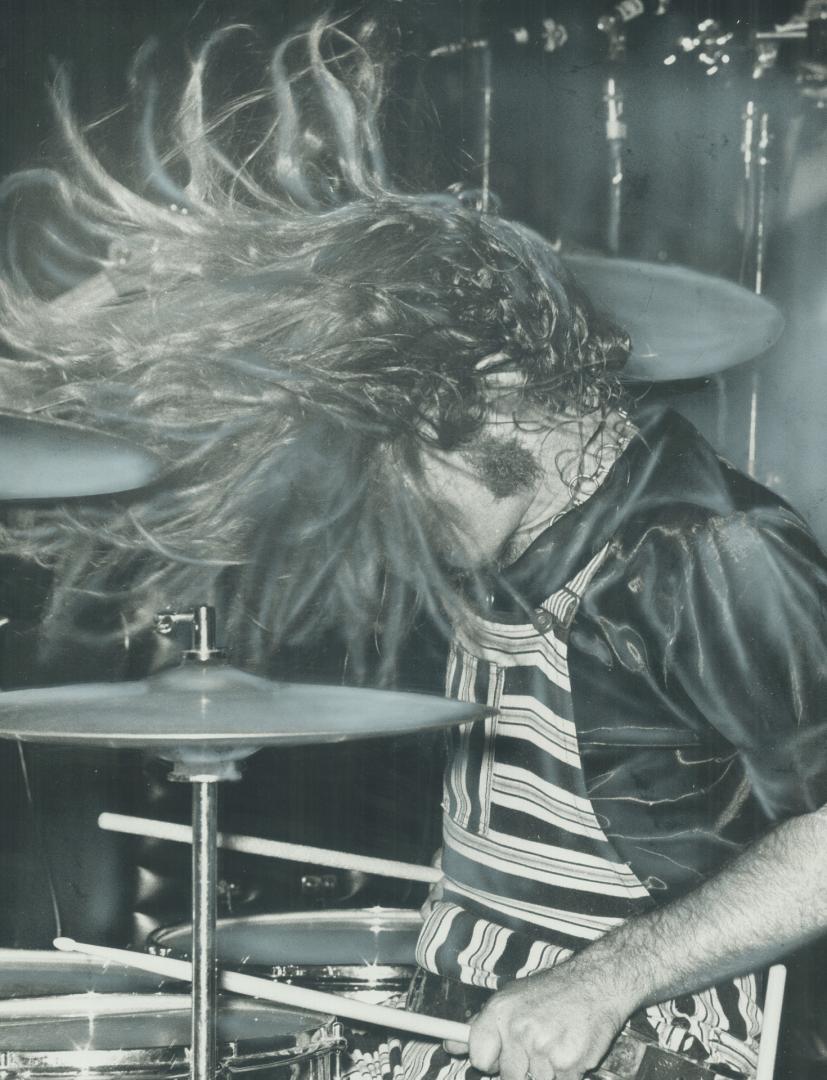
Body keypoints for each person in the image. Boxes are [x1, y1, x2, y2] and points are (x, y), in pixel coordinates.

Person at [1, 18, 827, 1080]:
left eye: (392, 463)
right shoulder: (519, 536)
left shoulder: (707, 554)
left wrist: (604, 980)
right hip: (481, 1025)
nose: (383, 505)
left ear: (489, 404)